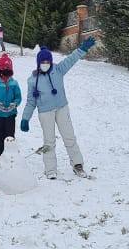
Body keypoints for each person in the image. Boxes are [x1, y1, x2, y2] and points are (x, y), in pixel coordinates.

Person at [21, 37, 97, 179]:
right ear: (38, 63)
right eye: (42, 62)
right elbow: (31, 102)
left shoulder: (58, 70)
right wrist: (25, 118)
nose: (45, 64)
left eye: (47, 62)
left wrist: (82, 49)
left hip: (62, 108)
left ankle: (77, 164)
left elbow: (71, 59)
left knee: (69, 137)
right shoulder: (32, 80)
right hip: (45, 113)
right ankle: (50, 169)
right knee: (49, 141)